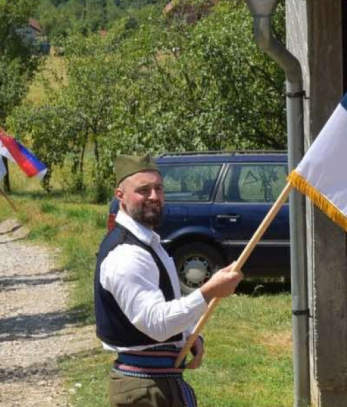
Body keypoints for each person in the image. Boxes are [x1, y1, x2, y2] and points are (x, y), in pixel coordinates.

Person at [96, 154, 243, 407]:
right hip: (144, 387)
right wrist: (208, 292)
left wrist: (188, 336)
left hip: (155, 383)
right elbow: (157, 324)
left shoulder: (148, 242)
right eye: (143, 190)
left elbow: (164, 307)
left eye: (159, 188)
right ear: (120, 196)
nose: (154, 196)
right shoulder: (126, 254)